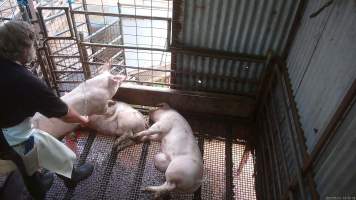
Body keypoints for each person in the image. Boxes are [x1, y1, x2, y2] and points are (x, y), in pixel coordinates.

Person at [0, 21, 94, 198]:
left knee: (26, 153)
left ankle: (40, 182)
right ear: (25, 48)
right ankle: (66, 177)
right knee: (38, 144)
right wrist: (83, 119)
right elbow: (63, 113)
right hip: (8, 136)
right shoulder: (25, 80)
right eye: (32, 44)